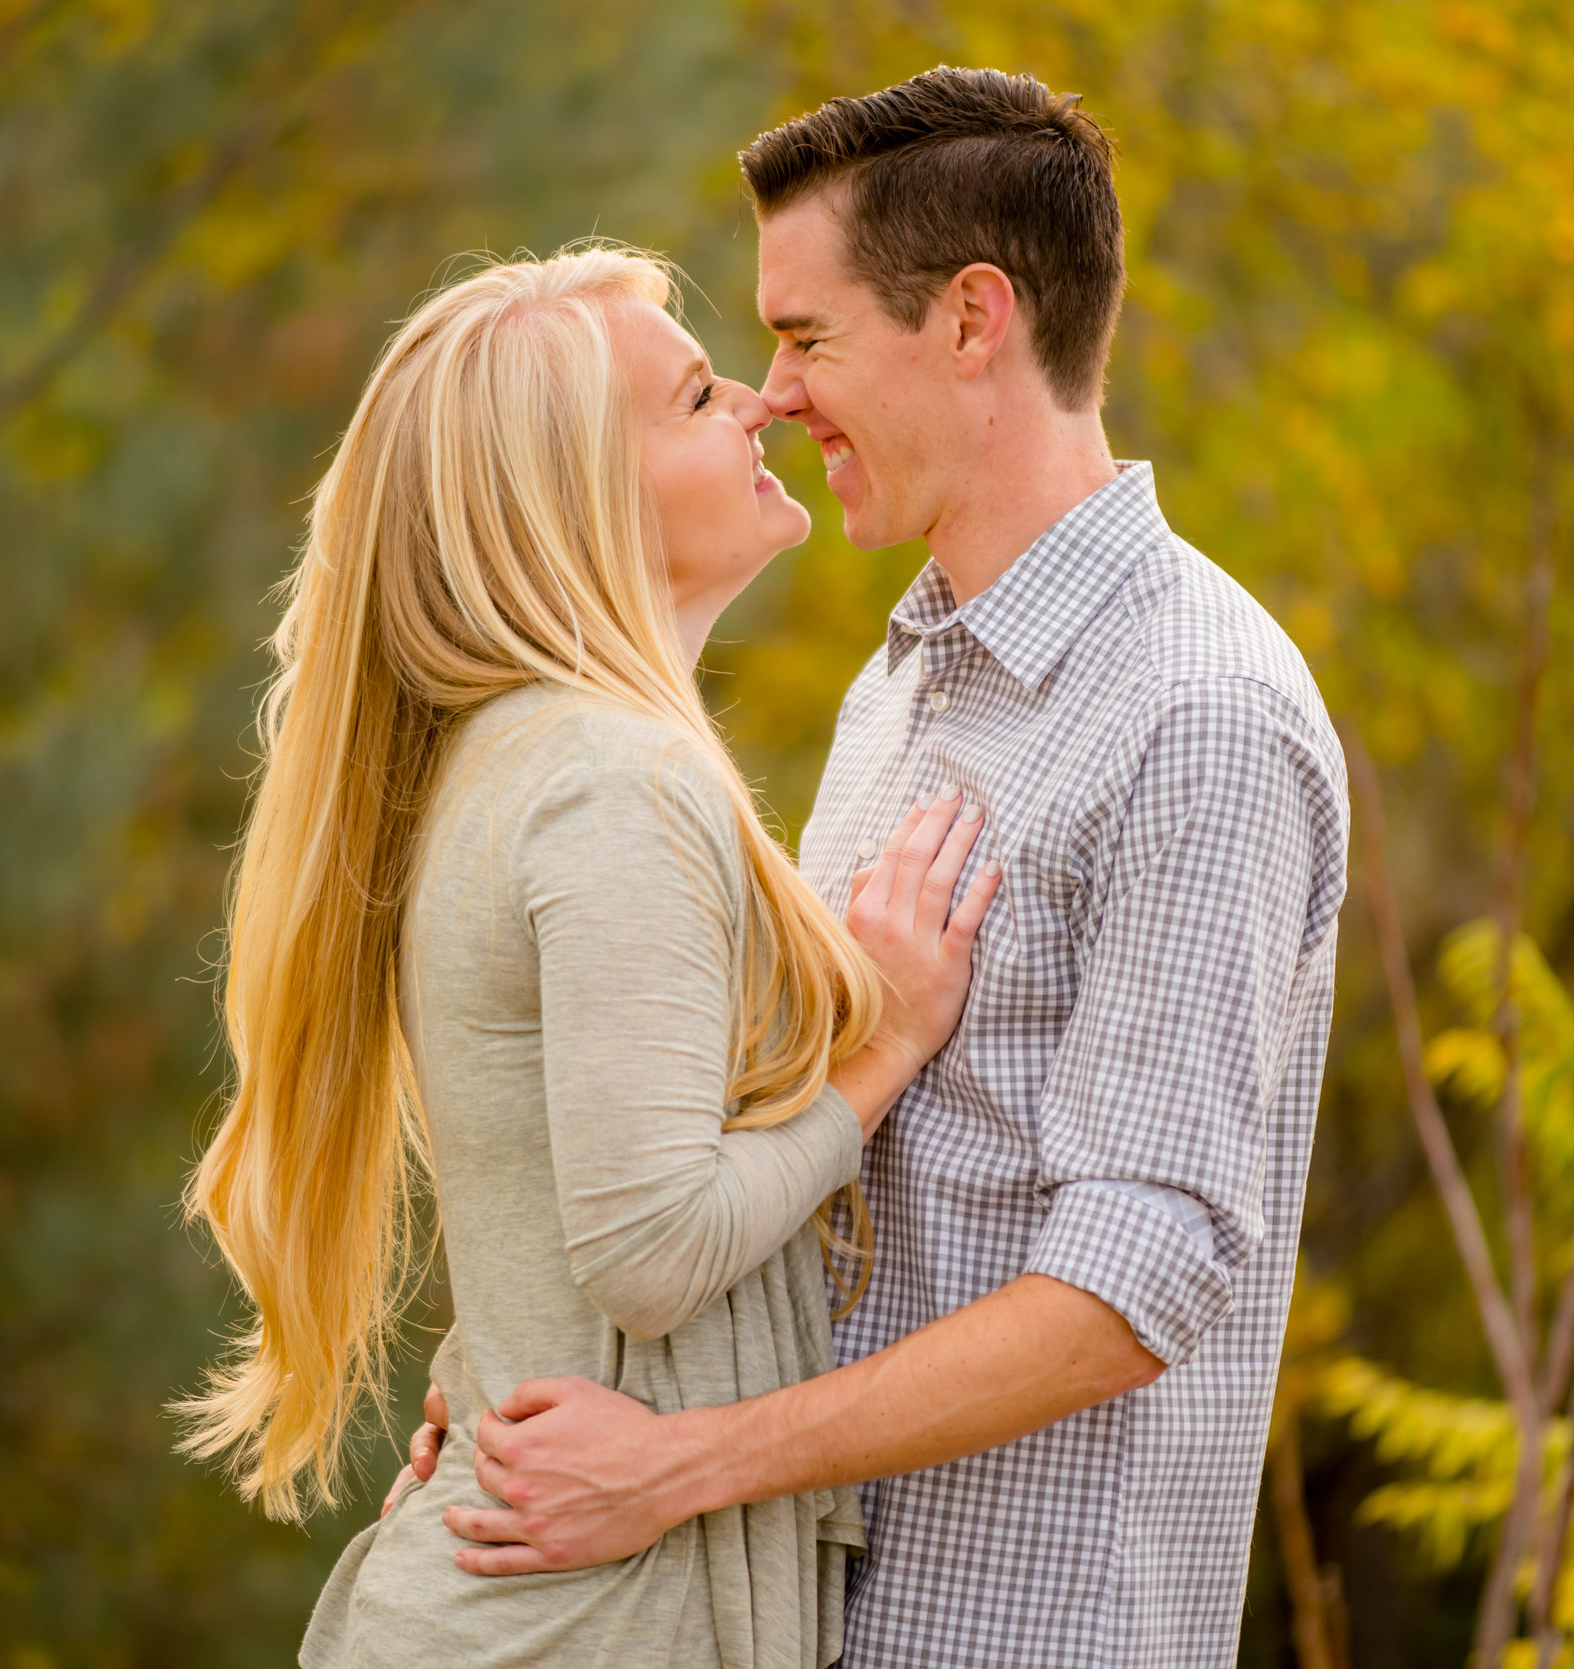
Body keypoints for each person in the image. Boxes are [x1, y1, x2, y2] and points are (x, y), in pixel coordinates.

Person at [408, 69, 1352, 1668]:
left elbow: (1127, 1295)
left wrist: (677, 1466)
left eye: (805, 336)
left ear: (973, 321)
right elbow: (780, 1160)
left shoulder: (1201, 713)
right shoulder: (899, 682)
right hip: (794, 1616)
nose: (771, 395)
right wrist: (524, 1368)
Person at [177, 245, 1000, 1669]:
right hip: (570, 1623)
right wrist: (888, 1047)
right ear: (584, 502)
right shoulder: (613, 781)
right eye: (693, 396)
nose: (756, 401)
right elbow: (652, 1245)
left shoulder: (520, 761)